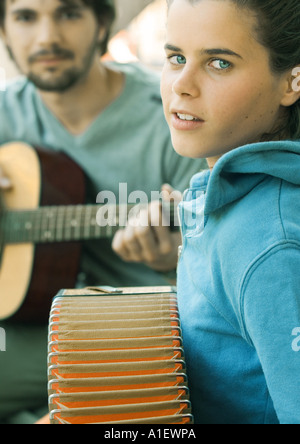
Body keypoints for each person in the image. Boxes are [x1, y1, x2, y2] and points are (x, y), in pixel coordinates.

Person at [0, 0, 206, 423]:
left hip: (141, 334)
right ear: (3, 31)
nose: (46, 37)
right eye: (25, 17)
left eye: (69, 13)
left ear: (102, 25)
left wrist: (176, 259)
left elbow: (215, 259)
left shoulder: (175, 117)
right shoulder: (7, 112)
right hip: (29, 327)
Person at [161, 0, 300, 424]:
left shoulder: (271, 245)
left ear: (292, 82)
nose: (182, 85)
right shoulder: (228, 189)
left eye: (219, 63)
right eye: (176, 58)